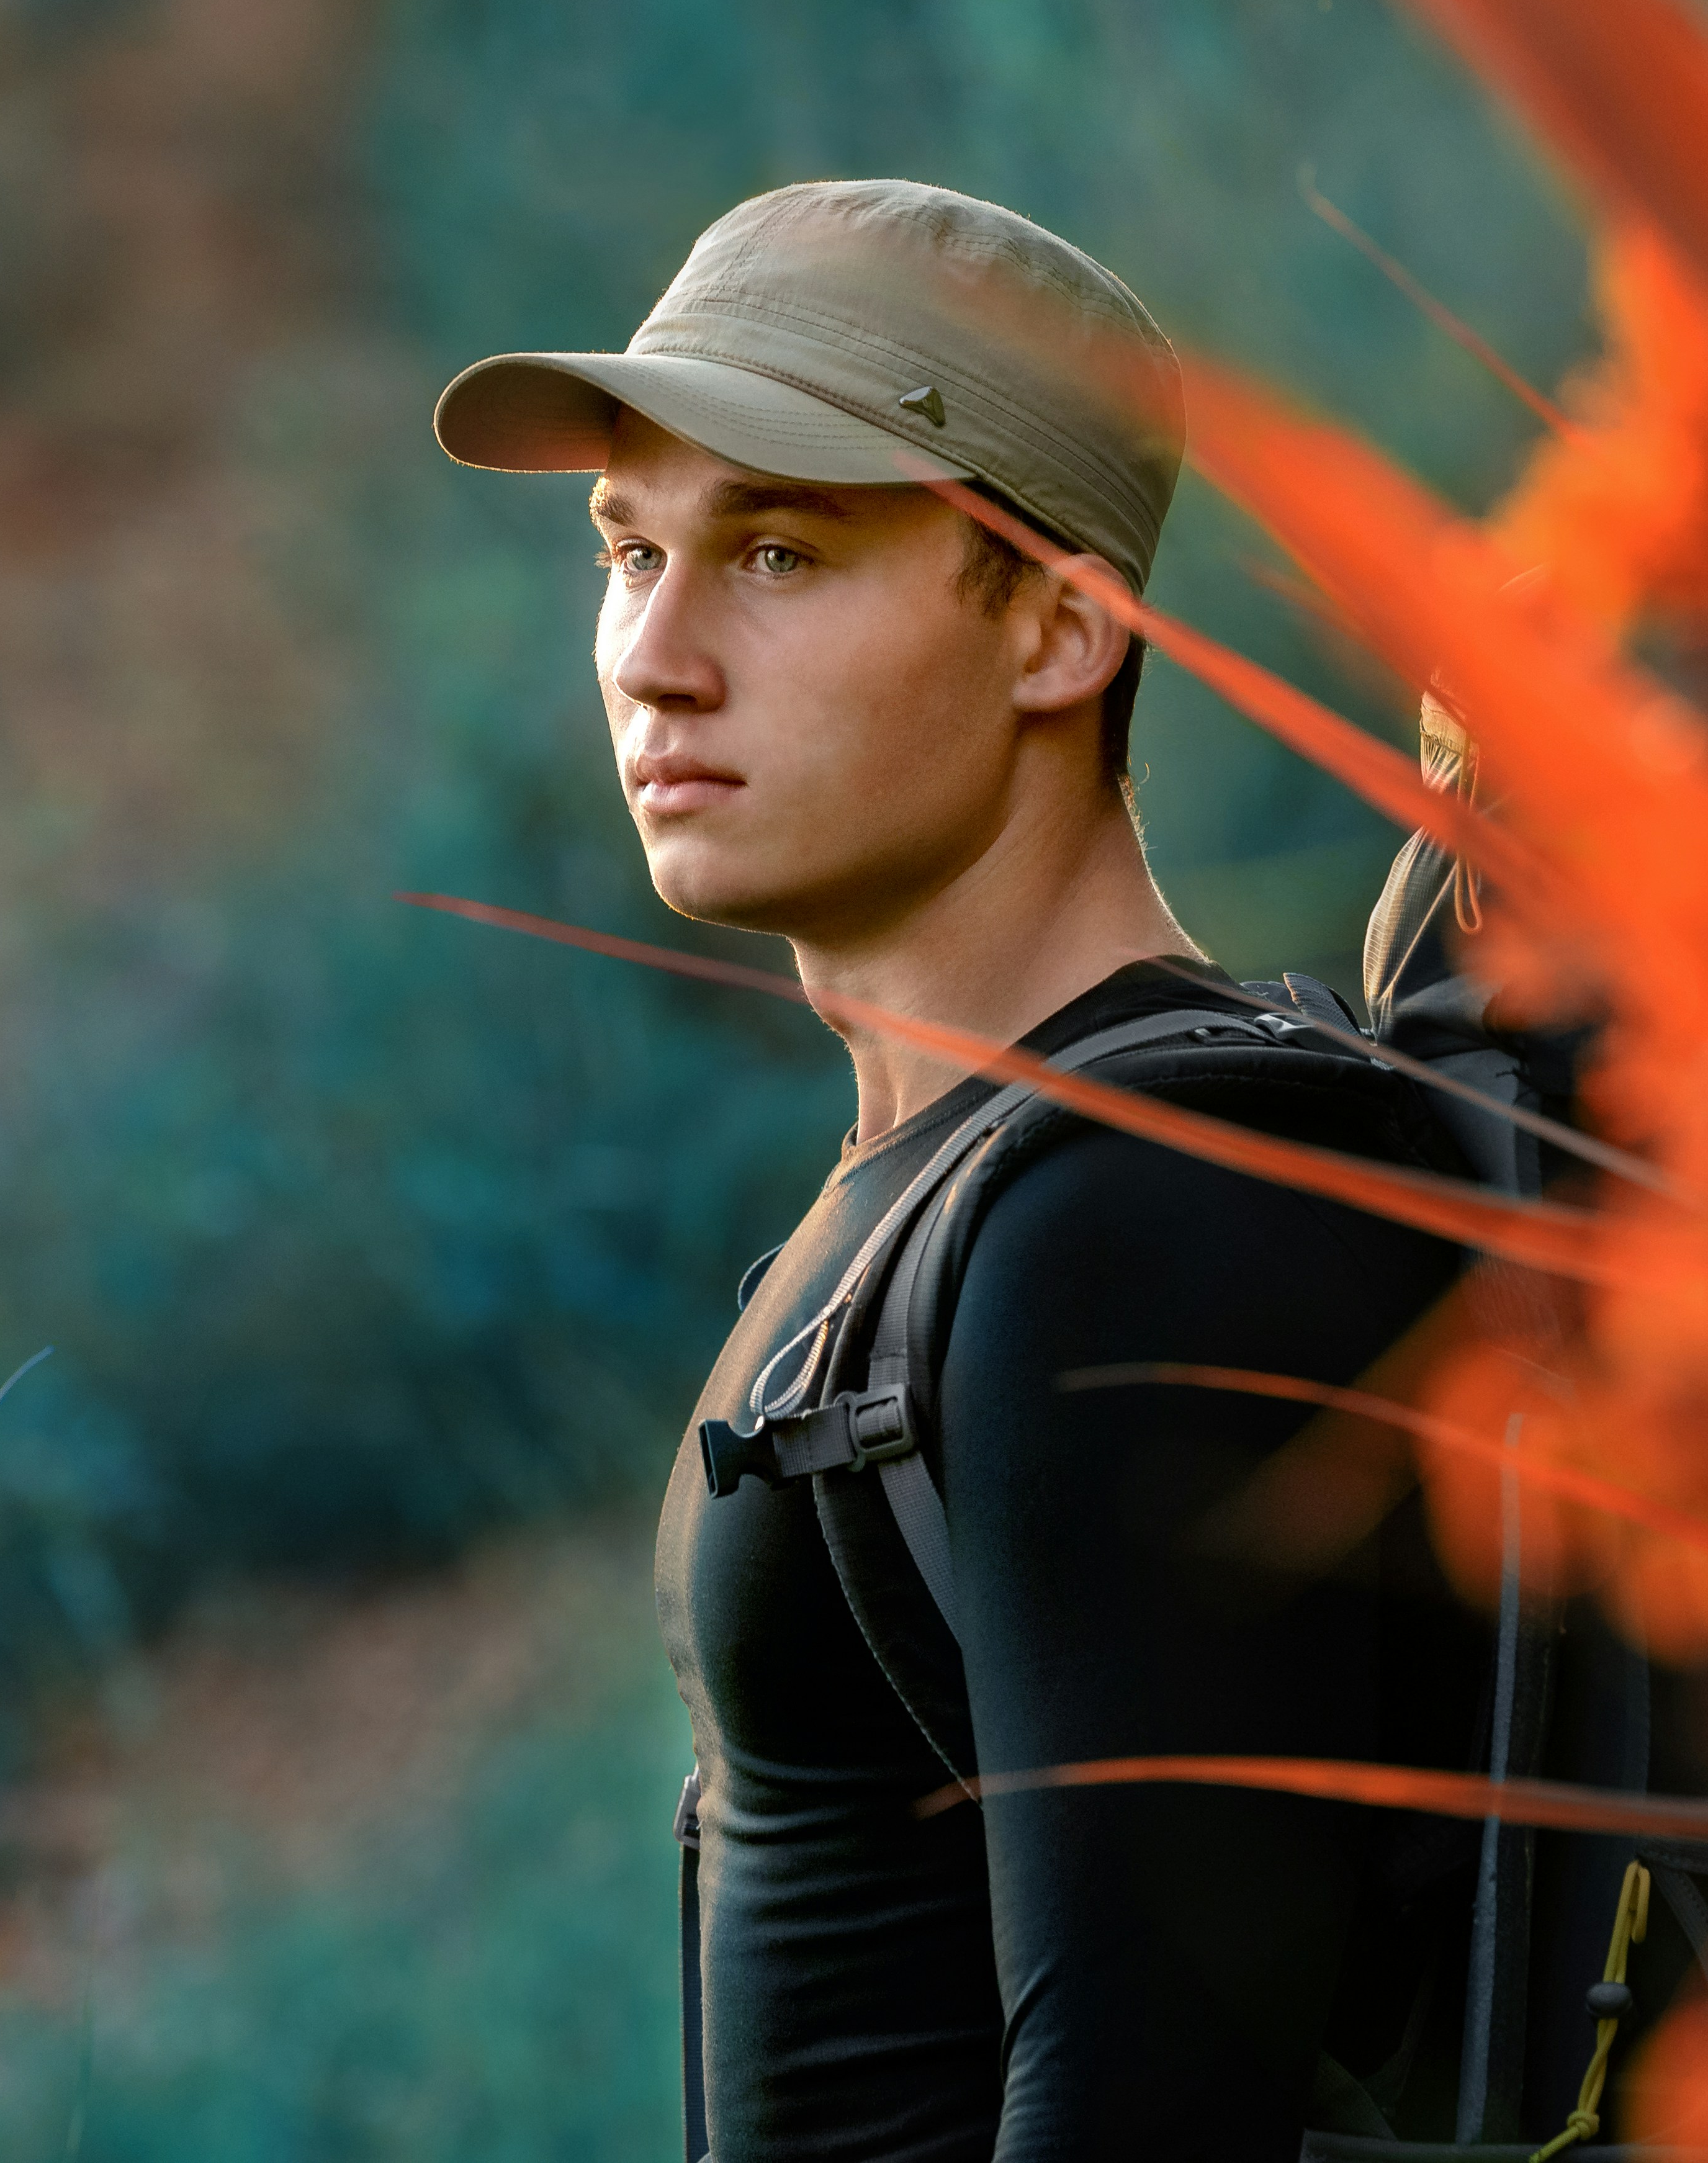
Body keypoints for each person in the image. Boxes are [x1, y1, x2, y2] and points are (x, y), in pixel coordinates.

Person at [432, 180, 1482, 2161]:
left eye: (776, 554)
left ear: (1059, 631)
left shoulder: (1145, 1215)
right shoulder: (957, 1194)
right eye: (629, 551)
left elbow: (1154, 2120)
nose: (655, 658)